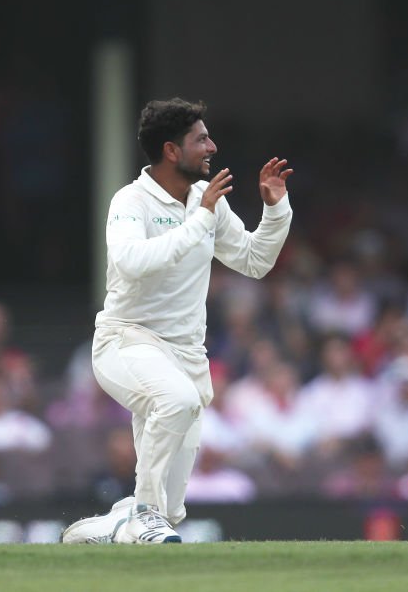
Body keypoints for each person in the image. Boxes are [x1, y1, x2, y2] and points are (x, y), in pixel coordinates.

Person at [61, 98, 293, 544]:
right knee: (178, 402)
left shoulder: (205, 203)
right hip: (126, 341)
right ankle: (143, 512)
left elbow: (253, 260)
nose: (212, 145)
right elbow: (131, 262)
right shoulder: (130, 201)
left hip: (186, 355)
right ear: (171, 150)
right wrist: (198, 219)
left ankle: (113, 525)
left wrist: (275, 210)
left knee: (172, 513)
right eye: (201, 139)